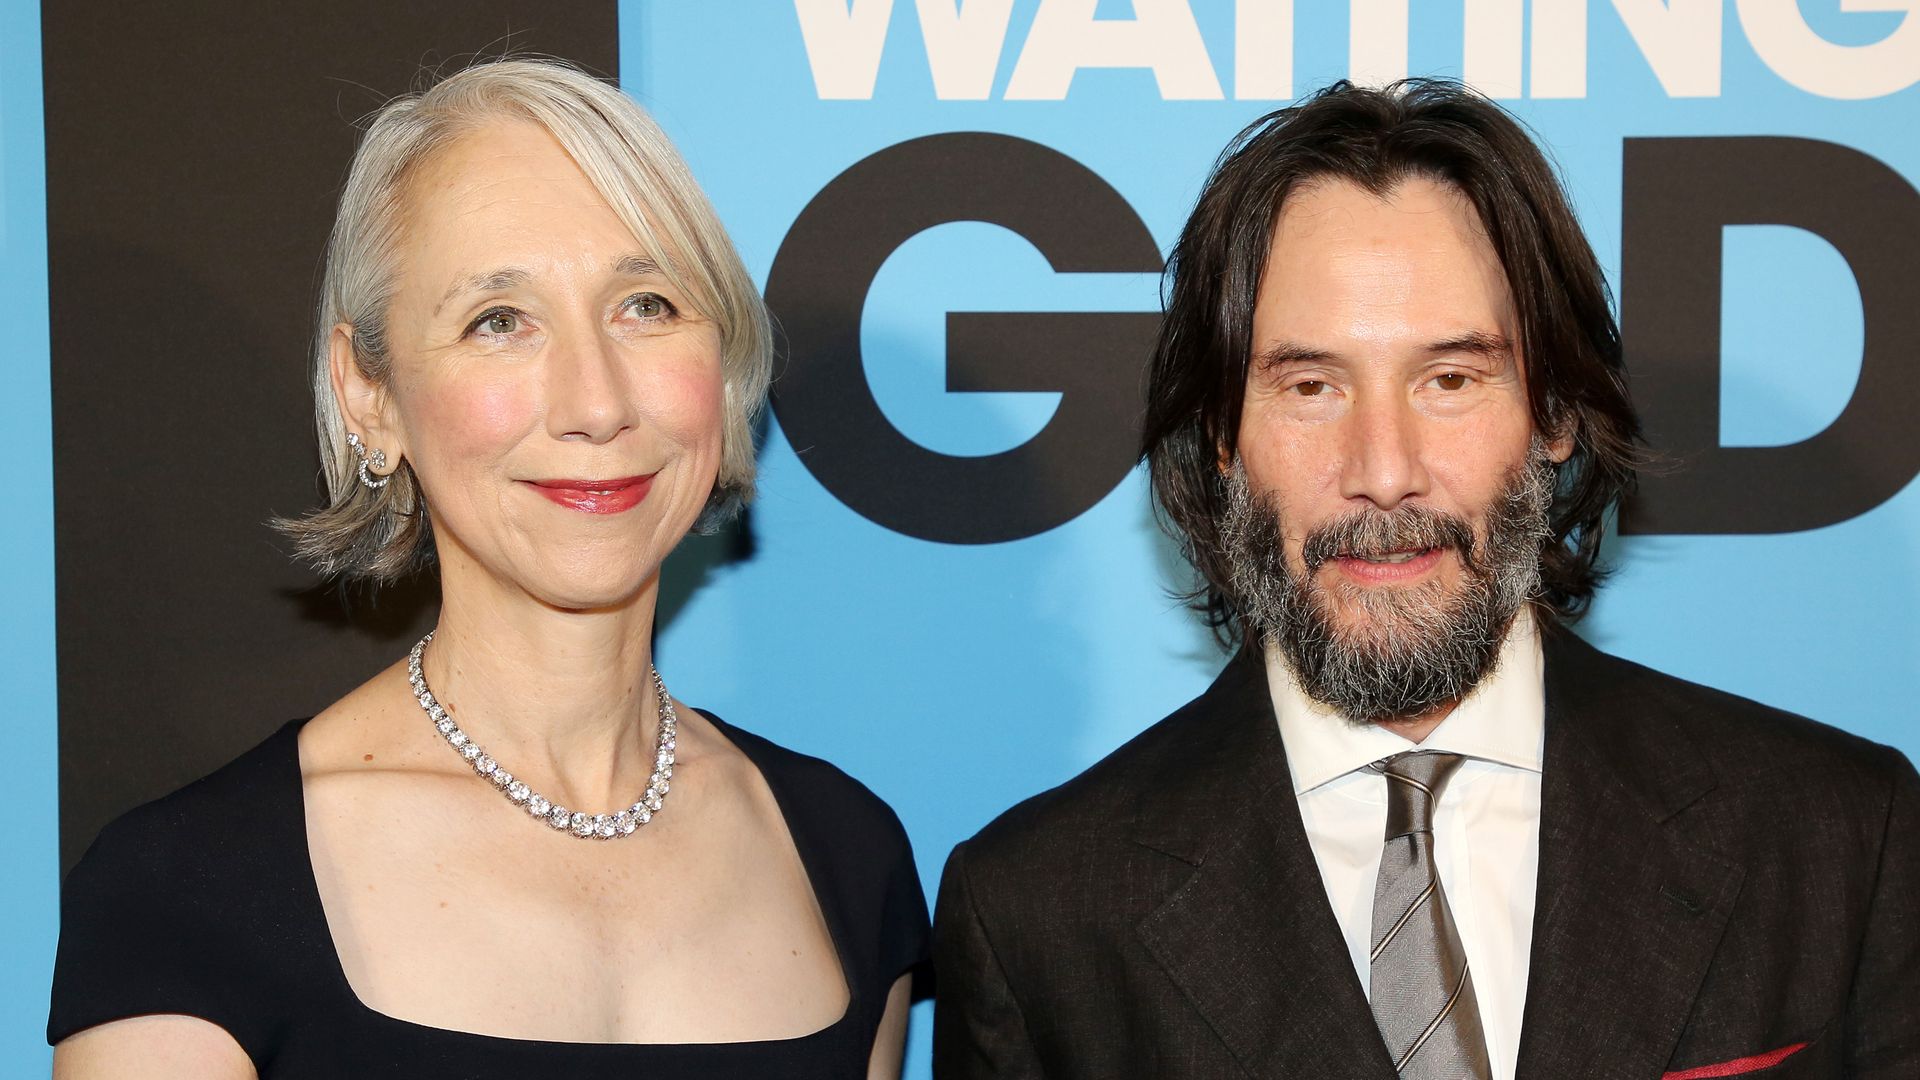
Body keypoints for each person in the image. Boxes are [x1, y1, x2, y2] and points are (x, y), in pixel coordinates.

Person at [932, 79, 1918, 1080]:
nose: (1384, 469)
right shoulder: (1040, 915)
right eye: (1311, 387)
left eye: (1449, 380)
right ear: (1223, 437)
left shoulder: (1837, 839)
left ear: (1556, 414)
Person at [50, 58, 926, 1079]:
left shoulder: (847, 859)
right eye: (498, 322)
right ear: (369, 393)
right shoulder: (190, 887)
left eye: (646, 304)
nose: (596, 403)